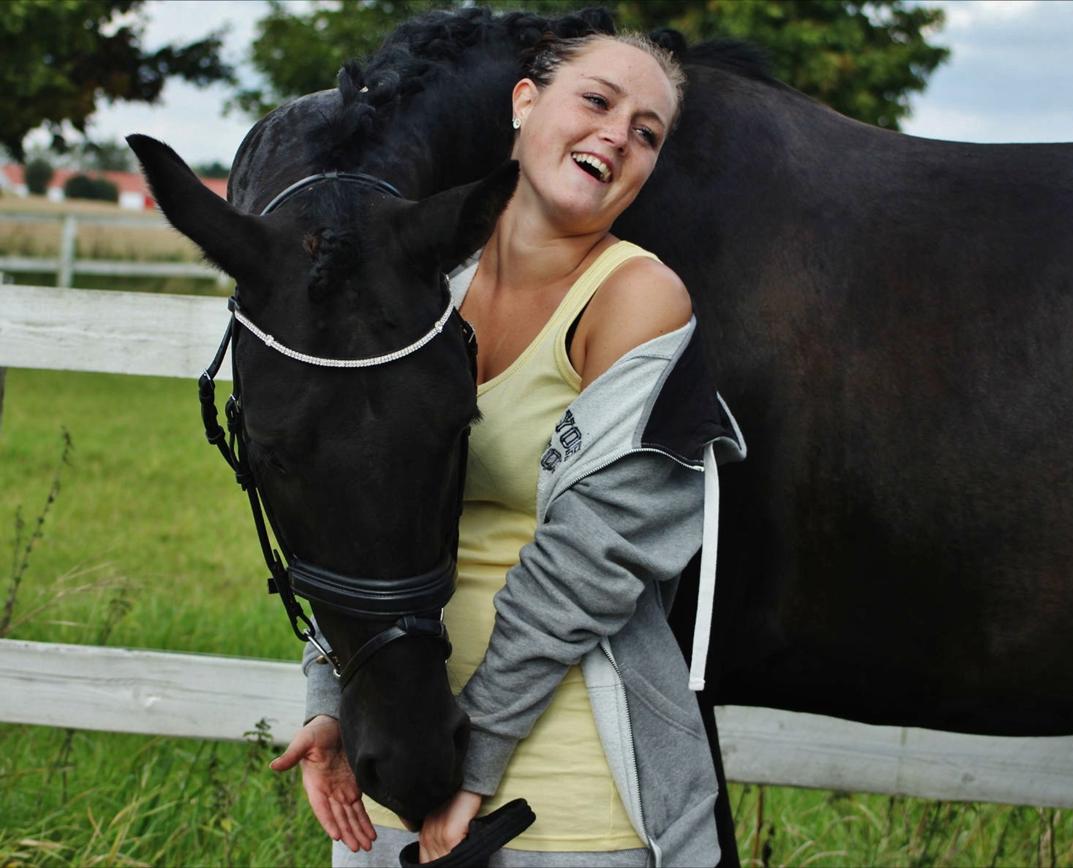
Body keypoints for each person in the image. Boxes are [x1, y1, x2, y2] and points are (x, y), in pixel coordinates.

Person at [271, 30, 745, 867]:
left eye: (646, 132)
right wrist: (331, 703)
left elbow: (591, 561)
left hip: (565, 793)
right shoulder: (419, 290)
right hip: (401, 762)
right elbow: (360, 514)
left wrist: (473, 768)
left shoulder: (638, 298)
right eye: (597, 101)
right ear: (525, 105)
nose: (617, 135)